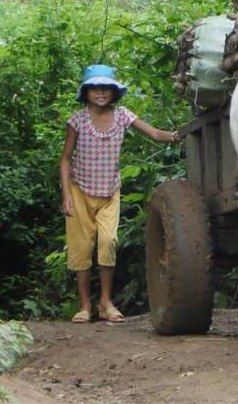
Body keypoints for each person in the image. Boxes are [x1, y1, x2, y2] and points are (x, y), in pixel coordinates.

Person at [60, 64, 180, 324]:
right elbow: (65, 159)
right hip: (79, 191)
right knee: (81, 249)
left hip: (109, 192)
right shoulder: (77, 119)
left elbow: (155, 134)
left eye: (106, 88)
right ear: (87, 93)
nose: (101, 93)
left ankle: (105, 302)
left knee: (108, 244)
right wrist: (66, 195)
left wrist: (176, 135)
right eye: (95, 89)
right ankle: (84, 306)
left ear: (114, 92)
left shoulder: (123, 115)